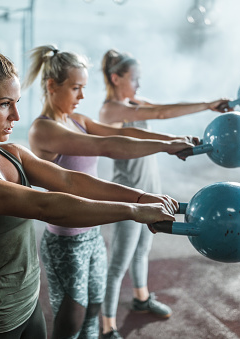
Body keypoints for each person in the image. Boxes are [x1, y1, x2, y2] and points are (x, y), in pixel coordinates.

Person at [0, 46, 181, 339]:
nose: (15, 115)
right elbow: (45, 206)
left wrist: (140, 197)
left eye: (16, 103)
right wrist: (133, 211)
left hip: (28, 309)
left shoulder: (12, 153)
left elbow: (70, 180)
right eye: (4, 104)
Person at [22, 44, 198, 339]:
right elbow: (105, 146)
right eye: (76, 88)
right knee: (71, 321)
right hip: (67, 242)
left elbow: (125, 132)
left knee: (94, 310)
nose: (82, 96)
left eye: (84, 88)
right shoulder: (44, 130)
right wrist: (167, 147)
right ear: (52, 86)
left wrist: (173, 140)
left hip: (92, 233)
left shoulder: (79, 121)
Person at [98, 48, 232, 339]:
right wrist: (206, 107)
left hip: (151, 192)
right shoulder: (110, 110)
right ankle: (107, 326)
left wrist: (186, 136)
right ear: (116, 78)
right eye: (135, 79)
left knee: (143, 249)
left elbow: (166, 109)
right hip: (128, 195)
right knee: (119, 261)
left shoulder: (133, 101)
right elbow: (158, 113)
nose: (139, 86)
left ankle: (141, 297)